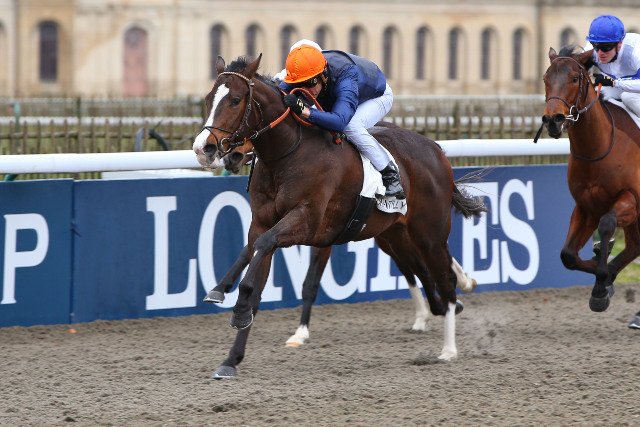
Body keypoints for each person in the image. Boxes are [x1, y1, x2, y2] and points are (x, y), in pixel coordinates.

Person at [278, 45, 405, 199]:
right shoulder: (305, 72)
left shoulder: (346, 76)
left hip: (377, 96)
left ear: (323, 75)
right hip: (340, 93)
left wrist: (306, 111)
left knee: (351, 126)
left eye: (310, 83)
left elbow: (340, 122)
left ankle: (390, 174)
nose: (306, 90)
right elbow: (277, 94)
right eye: (300, 84)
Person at [585, 15, 640, 117]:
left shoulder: (636, 50)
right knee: (594, 95)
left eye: (605, 47)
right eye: (596, 46)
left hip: (635, 90)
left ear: (619, 44)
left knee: (628, 97)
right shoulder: (591, 50)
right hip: (620, 88)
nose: (600, 53)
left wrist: (614, 82)